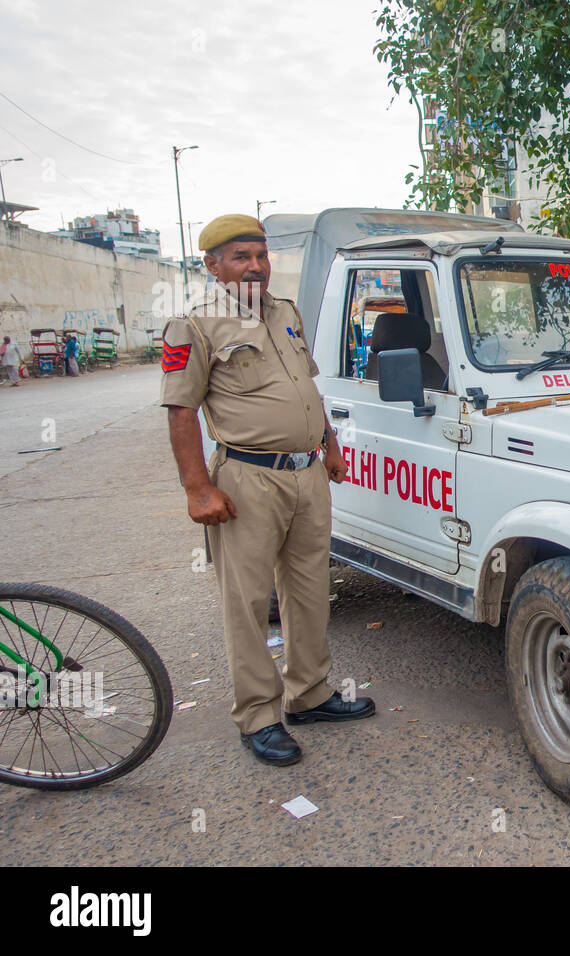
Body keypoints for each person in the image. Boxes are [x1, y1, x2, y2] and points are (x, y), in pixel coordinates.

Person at [159, 213, 374, 767]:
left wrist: (329, 444)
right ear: (212, 265)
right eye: (239, 256)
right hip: (246, 479)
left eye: (260, 254)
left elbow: (307, 386)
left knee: (308, 592)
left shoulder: (286, 313)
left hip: (307, 474)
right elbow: (181, 411)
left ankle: (311, 694)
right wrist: (197, 488)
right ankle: (257, 716)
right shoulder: (195, 325)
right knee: (249, 602)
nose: (255, 265)